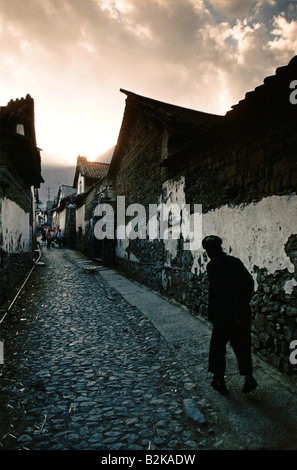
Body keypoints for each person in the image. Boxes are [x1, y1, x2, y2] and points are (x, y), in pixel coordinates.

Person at [202, 235, 258, 395]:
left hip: (225, 314)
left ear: (209, 251)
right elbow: (249, 283)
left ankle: (219, 380)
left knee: (218, 347)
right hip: (241, 311)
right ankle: (248, 378)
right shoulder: (235, 261)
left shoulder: (213, 265)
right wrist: (241, 305)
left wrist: (221, 312)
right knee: (242, 345)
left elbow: (218, 292)